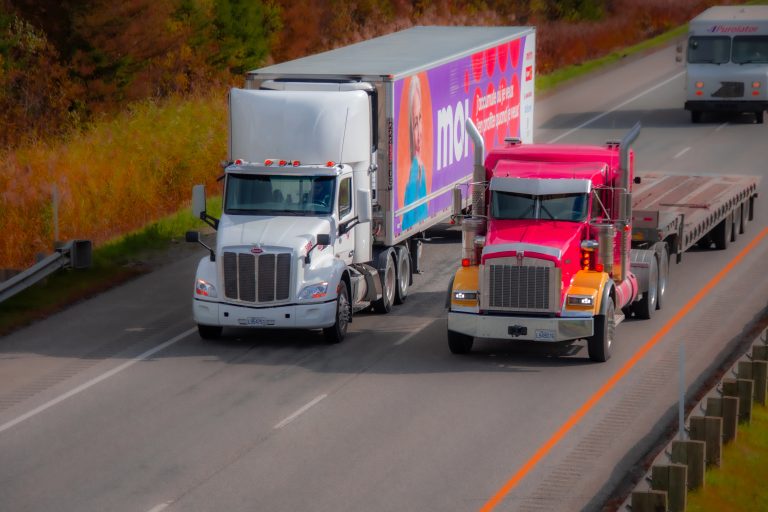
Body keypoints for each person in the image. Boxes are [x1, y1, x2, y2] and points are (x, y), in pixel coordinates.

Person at [402, 75, 429, 231]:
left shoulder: (421, 170)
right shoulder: (411, 178)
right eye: (414, 123)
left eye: (420, 120)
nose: (418, 133)